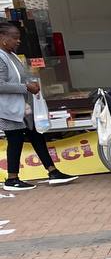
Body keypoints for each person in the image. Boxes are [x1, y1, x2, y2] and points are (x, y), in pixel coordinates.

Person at [0, 22, 78, 192]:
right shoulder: (0, 57)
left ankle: (53, 172)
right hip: (8, 110)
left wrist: (30, 82)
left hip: (22, 106)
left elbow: (19, 77)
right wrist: (26, 87)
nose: (18, 41)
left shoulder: (11, 55)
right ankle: (12, 179)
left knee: (36, 136)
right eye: (14, 38)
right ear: (3, 38)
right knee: (15, 140)